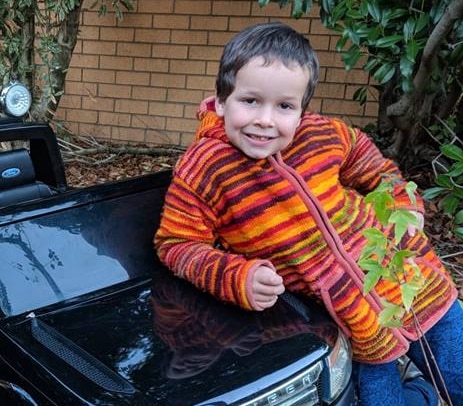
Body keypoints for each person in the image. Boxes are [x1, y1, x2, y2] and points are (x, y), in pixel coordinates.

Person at [154, 21, 463, 406]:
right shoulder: (203, 168)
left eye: (284, 106)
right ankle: (425, 395)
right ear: (220, 101)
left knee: (459, 377)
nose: (265, 120)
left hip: (417, 283)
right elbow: (176, 243)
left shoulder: (325, 135)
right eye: (250, 101)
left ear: (302, 111)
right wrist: (237, 277)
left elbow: (378, 171)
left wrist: (404, 207)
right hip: (356, 321)